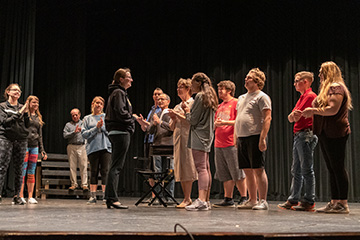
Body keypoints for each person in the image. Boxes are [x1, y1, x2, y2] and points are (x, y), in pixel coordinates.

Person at [302, 61, 352, 214]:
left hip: (336, 132)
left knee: (337, 167)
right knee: (331, 168)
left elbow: (332, 109)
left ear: (328, 72)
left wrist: (313, 110)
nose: (319, 75)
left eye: (321, 72)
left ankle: (343, 203)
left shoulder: (335, 87)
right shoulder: (328, 89)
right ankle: (334, 201)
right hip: (326, 132)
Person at [278, 72, 318, 212]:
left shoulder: (311, 96)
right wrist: (292, 116)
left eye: (296, 81)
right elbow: (291, 117)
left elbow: (299, 116)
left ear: (305, 81)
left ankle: (309, 200)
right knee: (296, 169)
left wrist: (294, 116)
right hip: (298, 135)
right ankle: (293, 198)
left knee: (306, 169)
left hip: (306, 134)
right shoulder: (302, 97)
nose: (294, 84)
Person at [235, 68, 272, 211]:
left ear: (257, 81)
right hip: (242, 137)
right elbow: (239, 118)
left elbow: (267, 118)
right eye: (246, 77)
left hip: (255, 136)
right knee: (247, 170)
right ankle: (252, 199)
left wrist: (262, 138)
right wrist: (236, 137)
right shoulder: (242, 97)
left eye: (249, 77)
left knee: (258, 169)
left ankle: (263, 200)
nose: (246, 79)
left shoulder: (262, 97)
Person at [183, 72, 218, 211]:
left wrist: (187, 111)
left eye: (192, 82)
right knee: (206, 167)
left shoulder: (199, 96)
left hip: (199, 135)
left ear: (198, 82)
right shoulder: (210, 95)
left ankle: (202, 200)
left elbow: (193, 120)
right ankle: (206, 199)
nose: (191, 85)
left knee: (201, 168)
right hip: (207, 135)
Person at [212, 80, 247, 208]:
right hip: (218, 143)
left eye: (222, 89)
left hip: (231, 142)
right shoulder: (219, 106)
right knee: (224, 173)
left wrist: (225, 123)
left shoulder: (236, 103)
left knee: (237, 172)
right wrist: (215, 125)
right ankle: (228, 198)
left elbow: (239, 120)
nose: (219, 91)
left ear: (229, 90)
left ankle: (244, 197)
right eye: (219, 88)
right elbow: (216, 121)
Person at [104, 67, 135, 209]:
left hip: (118, 131)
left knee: (114, 166)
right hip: (120, 132)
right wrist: (132, 120)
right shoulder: (118, 92)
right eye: (128, 77)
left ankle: (109, 197)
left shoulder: (119, 93)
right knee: (116, 166)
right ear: (121, 79)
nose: (131, 79)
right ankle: (112, 198)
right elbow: (121, 112)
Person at [168, 78, 198, 208]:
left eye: (181, 87)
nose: (178, 89)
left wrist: (179, 115)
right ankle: (186, 198)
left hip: (188, 139)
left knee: (188, 167)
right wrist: (173, 118)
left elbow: (192, 121)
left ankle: (187, 198)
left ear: (188, 89)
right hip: (178, 139)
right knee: (180, 168)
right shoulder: (177, 106)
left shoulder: (193, 104)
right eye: (177, 87)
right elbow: (171, 127)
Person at [0, 83, 29, 205]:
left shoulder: (22, 107)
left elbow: (26, 125)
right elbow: (5, 122)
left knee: (19, 169)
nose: (18, 92)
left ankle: (17, 196)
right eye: (15, 90)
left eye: (19, 91)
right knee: (2, 167)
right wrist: (19, 113)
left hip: (21, 140)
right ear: (8, 92)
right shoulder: (2, 106)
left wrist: (26, 114)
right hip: (6, 138)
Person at [134, 88, 163, 202]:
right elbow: (146, 128)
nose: (157, 96)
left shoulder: (163, 111)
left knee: (157, 169)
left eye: (159, 94)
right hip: (148, 141)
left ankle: (159, 195)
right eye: (155, 94)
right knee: (150, 169)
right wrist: (141, 122)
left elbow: (158, 126)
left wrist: (146, 123)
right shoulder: (152, 110)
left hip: (157, 142)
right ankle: (153, 195)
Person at [81, 96, 111, 205]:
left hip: (105, 147)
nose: (98, 105)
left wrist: (102, 127)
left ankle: (105, 196)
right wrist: (96, 128)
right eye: (96, 103)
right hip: (92, 148)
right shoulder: (87, 118)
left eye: (101, 103)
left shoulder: (106, 117)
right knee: (93, 172)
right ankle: (92, 196)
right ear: (92, 104)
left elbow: (110, 132)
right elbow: (84, 134)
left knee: (105, 171)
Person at [19, 95, 48, 204]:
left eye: (37, 103)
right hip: (25, 144)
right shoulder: (24, 115)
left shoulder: (38, 117)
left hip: (34, 146)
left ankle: (30, 196)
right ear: (29, 103)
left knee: (32, 171)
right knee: (23, 170)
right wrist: (25, 110)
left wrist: (42, 150)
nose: (35, 105)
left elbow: (40, 135)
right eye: (33, 102)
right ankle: (20, 195)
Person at [148, 93, 174, 202]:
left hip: (169, 145)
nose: (160, 101)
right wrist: (154, 124)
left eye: (162, 99)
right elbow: (150, 131)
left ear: (168, 101)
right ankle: (158, 196)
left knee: (170, 171)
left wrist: (160, 122)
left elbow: (172, 128)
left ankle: (169, 196)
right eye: (158, 100)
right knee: (157, 171)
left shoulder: (172, 113)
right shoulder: (156, 113)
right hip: (157, 145)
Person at [63, 108, 89, 192]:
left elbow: (89, 133)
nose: (75, 116)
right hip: (71, 146)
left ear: (79, 115)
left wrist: (83, 131)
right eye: (73, 115)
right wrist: (73, 132)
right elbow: (65, 135)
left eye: (76, 115)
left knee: (83, 166)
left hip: (82, 146)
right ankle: (73, 184)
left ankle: (84, 185)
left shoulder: (84, 123)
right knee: (72, 166)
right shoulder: (68, 125)